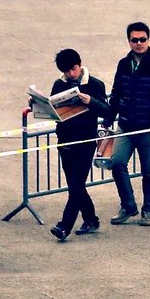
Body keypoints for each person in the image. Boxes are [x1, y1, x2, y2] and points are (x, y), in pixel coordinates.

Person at [107, 22, 150, 227]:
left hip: (148, 127)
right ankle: (128, 205)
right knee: (116, 163)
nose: (139, 43)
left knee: (149, 171)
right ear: (129, 41)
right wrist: (109, 119)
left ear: (148, 39)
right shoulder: (123, 64)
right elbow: (116, 93)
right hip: (125, 125)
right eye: (134, 40)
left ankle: (149, 210)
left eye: (142, 39)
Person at [47, 49, 110, 241]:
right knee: (75, 185)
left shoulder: (94, 84)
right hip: (65, 140)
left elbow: (108, 111)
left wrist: (91, 101)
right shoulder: (59, 84)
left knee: (75, 184)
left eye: (73, 69)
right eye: (66, 71)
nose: (71, 74)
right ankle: (91, 219)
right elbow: (52, 109)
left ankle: (65, 226)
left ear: (80, 64)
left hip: (85, 141)